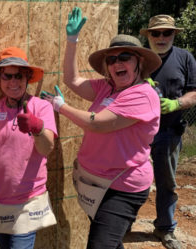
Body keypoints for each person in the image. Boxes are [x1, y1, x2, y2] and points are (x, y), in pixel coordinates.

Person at [42, 7, 162, 249]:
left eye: (124, 57)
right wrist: (72, 41)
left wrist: (60, 107)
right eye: (112, 59)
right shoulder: (107, 87)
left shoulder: (142, 95)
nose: (117, 63)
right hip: (94, 183)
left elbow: (96, 124)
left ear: (139, 62)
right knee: (110, 242)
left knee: (100, 245)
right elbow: (72, 80)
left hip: (121, 187)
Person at [0, 47, 58, 249]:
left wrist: (37, 128)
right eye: (7, 76)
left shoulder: (41, 107)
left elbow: (47, 148)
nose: (13, 82)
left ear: (28, 78)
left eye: (19, 76)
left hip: (28, 199)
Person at [139, 14, 196, 249]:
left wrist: (176, 104)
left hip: (169, 131)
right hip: (136, 132)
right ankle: (120, 224)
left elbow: (194, 92)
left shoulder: (185, 58)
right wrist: (141, 82)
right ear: (148, 35)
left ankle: (165, 228)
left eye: (167, 33)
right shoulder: (138, 58)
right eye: (156, 33)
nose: (161, 38)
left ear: (174, 34)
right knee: (129, 181)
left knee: (166, 182)